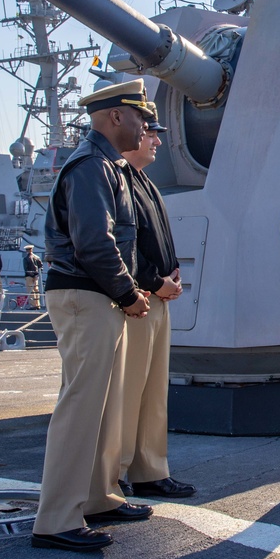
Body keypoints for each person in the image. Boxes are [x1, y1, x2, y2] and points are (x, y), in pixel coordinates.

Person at [31, 79, 153, 553]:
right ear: (116, 116)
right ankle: (56, 518)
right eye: (140, 117)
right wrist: (128, 294)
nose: (146, 127)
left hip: (98, 296)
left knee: (103, 406)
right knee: (81, 408)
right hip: (86, 295)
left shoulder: (110, 167)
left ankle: (99, 496)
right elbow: (94, 243)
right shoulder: (90, 167)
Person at [118, 103, 195, 500]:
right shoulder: (119, 180)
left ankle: (149, 470)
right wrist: (154, 281)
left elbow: (155, 238)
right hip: (139, 300)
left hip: (158, 296)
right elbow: (122, 247)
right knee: (128, 393)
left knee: (152, 392)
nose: (157, 141)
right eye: (151, 133)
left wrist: (173, 273)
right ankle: (113, 476)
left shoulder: (144, 181)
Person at [22, 244, 43, 309]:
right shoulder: (37, 257)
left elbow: (26, 269)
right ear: (32, 250)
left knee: (30, 291)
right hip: (36, 275)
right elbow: (41, 267)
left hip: (29, 276)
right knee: (36, 290)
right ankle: (38, 305)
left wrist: (31, 274)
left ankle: (33, 305)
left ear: (26, 250)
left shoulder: (25, 259)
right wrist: (37, 274)